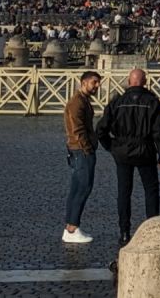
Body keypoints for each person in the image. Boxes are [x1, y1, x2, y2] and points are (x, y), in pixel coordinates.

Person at [96, 68, 160, 244]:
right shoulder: (152, 102)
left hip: (122, 151)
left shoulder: (117, 102)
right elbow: (159, 132)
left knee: (124, 192)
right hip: (145, 150)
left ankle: (124, 232)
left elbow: (100, 130)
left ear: (129, 81)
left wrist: (111, 147)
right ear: (145, 82)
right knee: (151, 191)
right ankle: (151, 230)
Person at [63, 71, 103, 244]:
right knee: (82, 189)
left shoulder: (82, 101)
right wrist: (87, 149)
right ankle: (72, 228)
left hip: (80, 150)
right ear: (83, 82)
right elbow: (77, 129)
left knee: (77, 189)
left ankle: (71, 227)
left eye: (98, 83)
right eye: (94, 82)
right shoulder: (77, 103)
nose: (97, 86)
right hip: (81, 151)